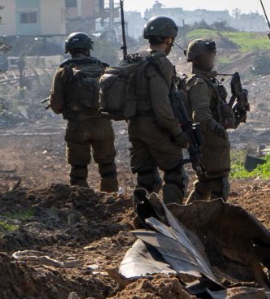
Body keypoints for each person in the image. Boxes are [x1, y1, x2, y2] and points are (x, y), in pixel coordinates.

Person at [129, 16, 191, 204]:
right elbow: (162, 106)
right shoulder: (159, 64)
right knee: (175, 176)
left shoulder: (136, 60)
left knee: (146, 178)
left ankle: (143, 222)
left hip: (135, 126)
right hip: (155, 127)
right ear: (169, 39)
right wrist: (177, 132)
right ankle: (173, 221)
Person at [47, 32, 118, 192]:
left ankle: (82, 203)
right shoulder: (103, 68)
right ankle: (112, 201)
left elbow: (56, 106)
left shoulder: (63, 71)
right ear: (88, 48)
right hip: (103, 125)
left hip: (78, 126)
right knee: (108, 168)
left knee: (78, 170)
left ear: (69, 49)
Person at [183, 39, 241, 200]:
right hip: (209, 142)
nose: (212, 58)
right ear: (197, 59)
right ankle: (215, 222)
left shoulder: (204, 81)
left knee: (204, 185)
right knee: (219, 185)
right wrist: (218, 129)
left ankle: (188, 218)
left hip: (209, 142)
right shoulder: (199, 84)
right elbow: (200, 115)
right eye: (209, 55)